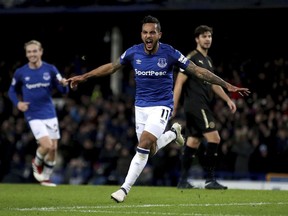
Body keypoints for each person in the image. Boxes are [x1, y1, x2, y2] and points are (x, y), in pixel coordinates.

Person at [67, 15, 249, 202]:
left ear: (159, 34)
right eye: (145, 32)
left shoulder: (170, 53)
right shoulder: (133, 52)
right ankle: (172, 134)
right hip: (140, 107)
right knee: (149, 150)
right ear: (141, 35)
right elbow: (112, 67)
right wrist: (85, 77)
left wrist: (227, 85)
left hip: (162, 105)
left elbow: (198, 71)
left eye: (152, 32)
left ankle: (124, 189)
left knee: (143, 144)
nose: (148, 35)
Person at [173, 25, 238, 189]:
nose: (207, 39)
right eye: (204, 36)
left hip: (198, 105)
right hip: (196, 105)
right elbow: (179, 82)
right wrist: (173, 106)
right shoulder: (191, 58)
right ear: (197, 39)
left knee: (193, 142)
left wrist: (227, 100)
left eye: (209, 36)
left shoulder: (208, 61)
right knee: (215, 138)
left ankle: (182, 181)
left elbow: (214, 84)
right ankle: (210, 180)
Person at [8, 40, 69, 187]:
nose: (32, 54)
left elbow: (63, 91)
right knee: (46, 145)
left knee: (54, 148)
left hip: (49, 112)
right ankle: (37, 161)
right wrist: (18, 103)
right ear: (26, 54)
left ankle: (46, 178)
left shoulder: (51, 69)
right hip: (33, 114)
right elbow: (11, 91)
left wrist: (64, 85)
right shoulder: (21, 72)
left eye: (34, 51)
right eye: (29, 52)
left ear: (40, 51)